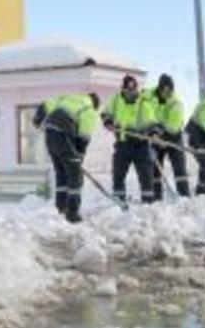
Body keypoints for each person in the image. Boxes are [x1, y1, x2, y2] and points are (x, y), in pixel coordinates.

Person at [32, 93, 100, 223]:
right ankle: (73, 214)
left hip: (50, 134)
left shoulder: (68, 98)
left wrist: (38, 119)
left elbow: (45, 105)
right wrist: (79, 157)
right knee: (75, 176)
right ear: (95, 105)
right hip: (63, 134)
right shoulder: (89, 110)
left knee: (61, 172)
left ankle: (61, 208)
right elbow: (84, 137)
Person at [101, 75, 160, 204]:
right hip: (122, 144)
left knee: (146, 176)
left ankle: (148, 203)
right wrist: (108, 122)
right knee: (118, 176)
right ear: (123, 89)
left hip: (140, 146)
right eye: (128, 91)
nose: (131, 93)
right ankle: (119, 202)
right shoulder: (115, 100)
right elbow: (106, 114)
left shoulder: (143, 103)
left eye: (133, 91)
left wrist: (153, 133)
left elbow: (151, 122)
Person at [144, 74, 189, 198]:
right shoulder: (146, 97)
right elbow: (145, 116)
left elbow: (173, 126)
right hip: (154, 135)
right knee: (155, 168)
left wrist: (161, 136)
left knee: (180, 168)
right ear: (160, 88)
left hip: (173, 137)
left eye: (171, 91)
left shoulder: (176, 102)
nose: (169, 94)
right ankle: (156, 198)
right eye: (166, 91)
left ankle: (184, 196)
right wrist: (152, 132)